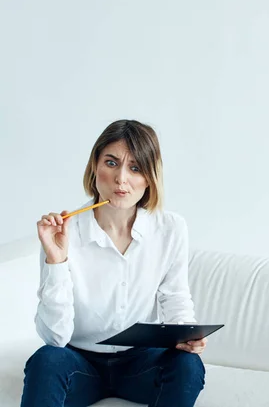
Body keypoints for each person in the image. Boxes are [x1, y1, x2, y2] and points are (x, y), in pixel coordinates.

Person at [21, 120, 206, 407]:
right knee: (45, 361)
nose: (121, 178)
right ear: (95, 167)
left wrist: (187, 334)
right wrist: (57, 261)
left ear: (149, 177)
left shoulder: (170, 228)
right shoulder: (64, 232)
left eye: (135, 168)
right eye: (111, 162)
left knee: (188, 366)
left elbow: (175, 297)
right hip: (79, 361)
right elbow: (55, 338)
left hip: (141, 360)